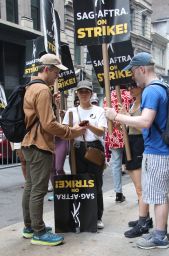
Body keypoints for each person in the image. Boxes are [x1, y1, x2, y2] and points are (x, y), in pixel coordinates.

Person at [105, 52, 169, 249]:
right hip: (163, 149)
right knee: (160, 195)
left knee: (159, 196)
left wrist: (116, 116)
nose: (132, 77)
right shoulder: (164, 87)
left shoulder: (151, 91)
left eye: (133, 72)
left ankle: (160, 236)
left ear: (142, 69)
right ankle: (160, 231)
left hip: (157, 152)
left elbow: (145, 121)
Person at [21, 53, 86, 246]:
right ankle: (39, 232)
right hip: (39, 144)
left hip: (30, 143)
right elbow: (49, 124)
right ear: (47, 69)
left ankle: (29, 227)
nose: (58, 76)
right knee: (39, 190)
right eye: (57, 71)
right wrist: (71, 131)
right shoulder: (42, 90)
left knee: (31, 187)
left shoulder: (32, 87)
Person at [62, 80, 107, 229]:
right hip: (76, 149)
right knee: (79, 183)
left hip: (94, 149)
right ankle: (82, 215)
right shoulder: (70, 112)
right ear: (77, 93)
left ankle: (98, 216)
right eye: (81, 91)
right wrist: (75, 129)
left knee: (96, 183)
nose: (84, 94)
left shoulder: (99, 110)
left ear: (91, 93)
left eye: (86, 91)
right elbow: (65, 133)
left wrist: (89, 126)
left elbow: (101, 131)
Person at [120, 85, 153, 238]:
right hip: (131, 143)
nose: (130, 89)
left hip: (139, 144)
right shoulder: (134, 103)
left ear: (141, 88)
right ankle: (145, 217)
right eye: (129, 87)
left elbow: (143, 126)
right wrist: (125, 116)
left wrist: (126, 118)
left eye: (133, 87)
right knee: (137, 186)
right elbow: (130, 125)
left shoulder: (145, 104)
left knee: (141, 188)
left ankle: (143, 222)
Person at [103, 89, 133, 203]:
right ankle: (139, 191)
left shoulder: (107, 97)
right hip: (128, 132)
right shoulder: (129, 95)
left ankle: (118, 193)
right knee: (133, 163)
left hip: (113, 134)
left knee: (116, 164)